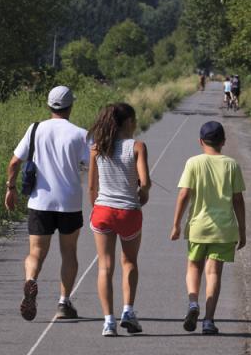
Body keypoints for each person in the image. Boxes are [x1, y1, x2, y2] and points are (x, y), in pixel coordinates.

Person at [5, 85, 89, 321]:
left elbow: (14, 163)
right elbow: (92, 163)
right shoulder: (80, 134)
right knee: (69, 252)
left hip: (40, 202)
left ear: (49, 105)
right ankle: (64, 303)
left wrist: (10, 189)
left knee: (36, 253)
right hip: (70, 202)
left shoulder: (35, 130)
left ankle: (31, 281)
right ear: (71, 105)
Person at [170, 121, 246, 335]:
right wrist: (242, 230)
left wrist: (176, 224)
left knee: (194, 267)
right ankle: (209, 321)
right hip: (224, 229)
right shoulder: (232, 165)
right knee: (214, 273)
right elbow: (238, 200)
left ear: (200, 141)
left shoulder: (193, 163)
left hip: (198, 227)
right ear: (223, 141)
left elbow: (184, 194)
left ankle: (193, 302)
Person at [87, 103, 151, 337]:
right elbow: (144, 183)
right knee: (129, 262)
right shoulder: (137, 147)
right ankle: (128, 310)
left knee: (104, 266)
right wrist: (142, 196)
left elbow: (92, 186)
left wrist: (95, 207)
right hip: (128, 211)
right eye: (134, 121)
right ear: (128, 123)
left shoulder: (98, 148)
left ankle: (108, 321)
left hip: (103, 210)